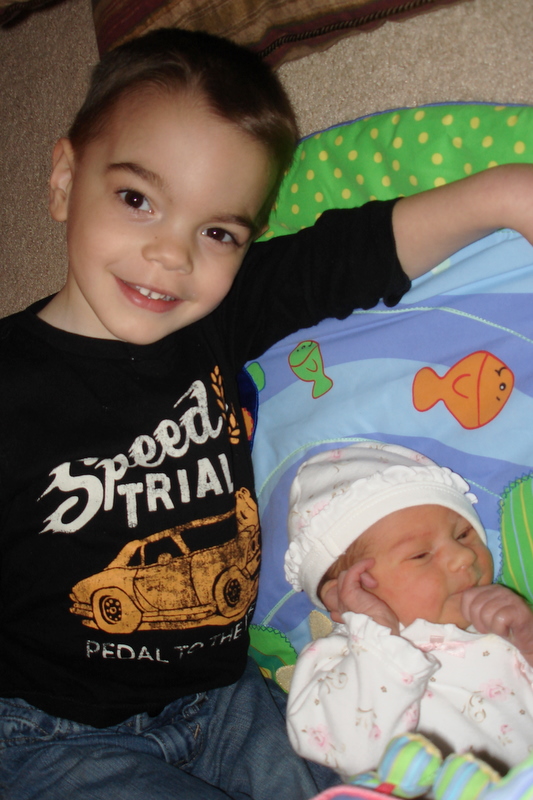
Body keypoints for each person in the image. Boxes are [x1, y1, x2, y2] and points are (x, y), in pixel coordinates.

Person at [0, 24, 532, 800]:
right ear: (62, 178)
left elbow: (344, 258)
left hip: (227, 701)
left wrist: (503, 195)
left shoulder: (213, 321)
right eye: (137, 199)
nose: (172, 254)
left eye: (217, 232)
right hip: (54, 733)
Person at [284, 442, 533, 781]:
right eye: (421, 555)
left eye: (463, 534)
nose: (464, 557)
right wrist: (378, 636)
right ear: (344, 595)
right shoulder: (341, 660)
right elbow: (349, 751)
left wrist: (527, 638)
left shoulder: (502, 630)